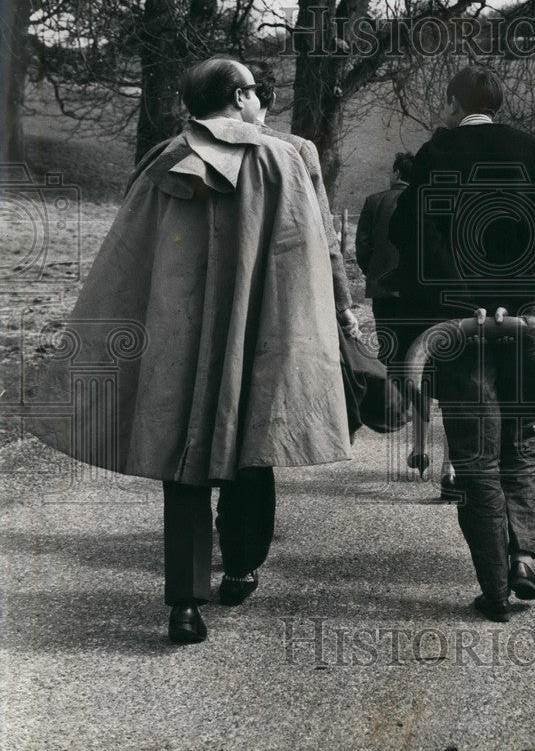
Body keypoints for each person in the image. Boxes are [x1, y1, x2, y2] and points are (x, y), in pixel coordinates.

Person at [31, 57, 352, 643]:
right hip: (260, 335)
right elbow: (309, 262)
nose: (261, 101)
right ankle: (243, 568)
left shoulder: (164, 160)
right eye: (255, 91)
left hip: (177, 341)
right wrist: (334, 321)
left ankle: (185, 603)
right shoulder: (283, 160)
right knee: (252, 443)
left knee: (184, 460)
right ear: (236, 96)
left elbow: (126, 262)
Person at [387, 66, 535, 622]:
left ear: (453, 102)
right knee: (520, 444)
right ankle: (522, 558)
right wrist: (522, 293)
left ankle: (494, 587)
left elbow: (410, 235)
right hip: (523, 325)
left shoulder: (436, 154)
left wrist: (453, 295)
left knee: (475, 459)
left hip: (459, 326)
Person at [355, 152, 454, 486]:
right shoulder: (433, 200)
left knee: (392, 352)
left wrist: (375, 275)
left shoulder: (374, 201)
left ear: (397, 171)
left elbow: (363, 247)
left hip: (386, 291)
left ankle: (396, 410)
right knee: (427, 363)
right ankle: (431, 447)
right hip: (425, 299)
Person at [251, 62, 360, 338]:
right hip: (281, 287)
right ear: (273, 99)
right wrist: (342, 304)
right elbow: (323, 231)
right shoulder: (297, 149)